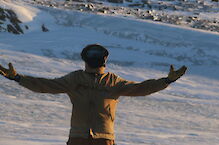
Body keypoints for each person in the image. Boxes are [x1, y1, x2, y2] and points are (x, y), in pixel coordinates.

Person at [0, 43, 187, 145]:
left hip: (103, 139)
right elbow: (45, 85)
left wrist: (166, 81)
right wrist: (17, 78)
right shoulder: (74, 79)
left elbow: (142, 88)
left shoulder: (113, 82)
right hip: (78, 138)